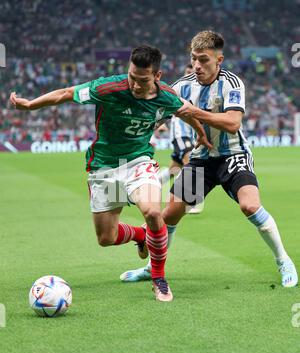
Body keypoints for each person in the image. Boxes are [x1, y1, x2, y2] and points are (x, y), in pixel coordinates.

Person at [10, 45, 212, 302]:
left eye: (143, 80)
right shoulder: (108, 88)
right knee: (107, 238)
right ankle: (141, 235)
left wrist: (201, 133)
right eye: (132, 77)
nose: (136, 85)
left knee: (152, 211)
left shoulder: (166, 97)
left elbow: (187, 111)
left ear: (157, 77)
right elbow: (66, 93)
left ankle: (158, 278)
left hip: (139, 162)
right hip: (105, 167)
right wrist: (30, 105)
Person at [120, 31, 298, 288]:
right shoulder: (182, 85)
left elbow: (233, 123)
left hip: (233, 155)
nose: (197, 65)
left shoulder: (232, 83)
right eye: (194, 59)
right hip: (201, 160)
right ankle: (152, 268)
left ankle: (283, 260)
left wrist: (195, 112)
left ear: (219, 60)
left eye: (203, 60)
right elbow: (160, 114)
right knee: (170, 214)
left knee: (249, 205)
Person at [157, 64, 203, 215]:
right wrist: (160, 125)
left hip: (190, 133)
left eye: (192, 71)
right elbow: (167, 107)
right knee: (191, 163)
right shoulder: (180, 88)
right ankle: (191, 201)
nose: (191, 74)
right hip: (180, 133)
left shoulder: (200, 88)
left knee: (174, 169)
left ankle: (152, 184)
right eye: (188, 71)